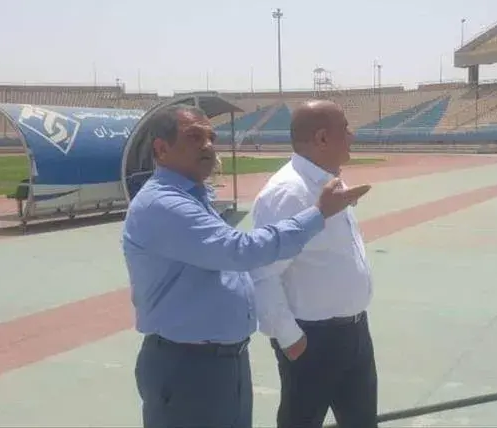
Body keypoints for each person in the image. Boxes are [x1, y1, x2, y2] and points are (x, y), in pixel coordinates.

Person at [121, 104, 373, 428]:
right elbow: (242, 253)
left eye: (211, 137)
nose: (208, 146)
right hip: (188, 365)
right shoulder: (163, 204)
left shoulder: (193, 198)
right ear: (161, 149)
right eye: (194, 137)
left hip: (222, 361)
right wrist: (318, 215)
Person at [250, 100, 378, 428]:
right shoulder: (287, 192)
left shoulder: (331, 182)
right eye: (345, 129)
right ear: (322, 138)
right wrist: (290, 337)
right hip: (312, 340)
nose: (352, 135)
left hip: (354, 332)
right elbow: (263, 273)